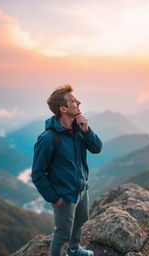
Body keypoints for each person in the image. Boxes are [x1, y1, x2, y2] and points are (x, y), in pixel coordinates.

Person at [31, 84, 102, 256]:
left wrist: (86, 130)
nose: (78, 102)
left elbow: (97, 148)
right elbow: (38, 173)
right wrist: (54, 198)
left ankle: (74, 250)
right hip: (64, 195)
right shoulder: (48, 138)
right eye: (73, 101)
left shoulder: (79, 128)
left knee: (81, 221)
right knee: (62, 233)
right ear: (63, 108)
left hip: (81, 189)